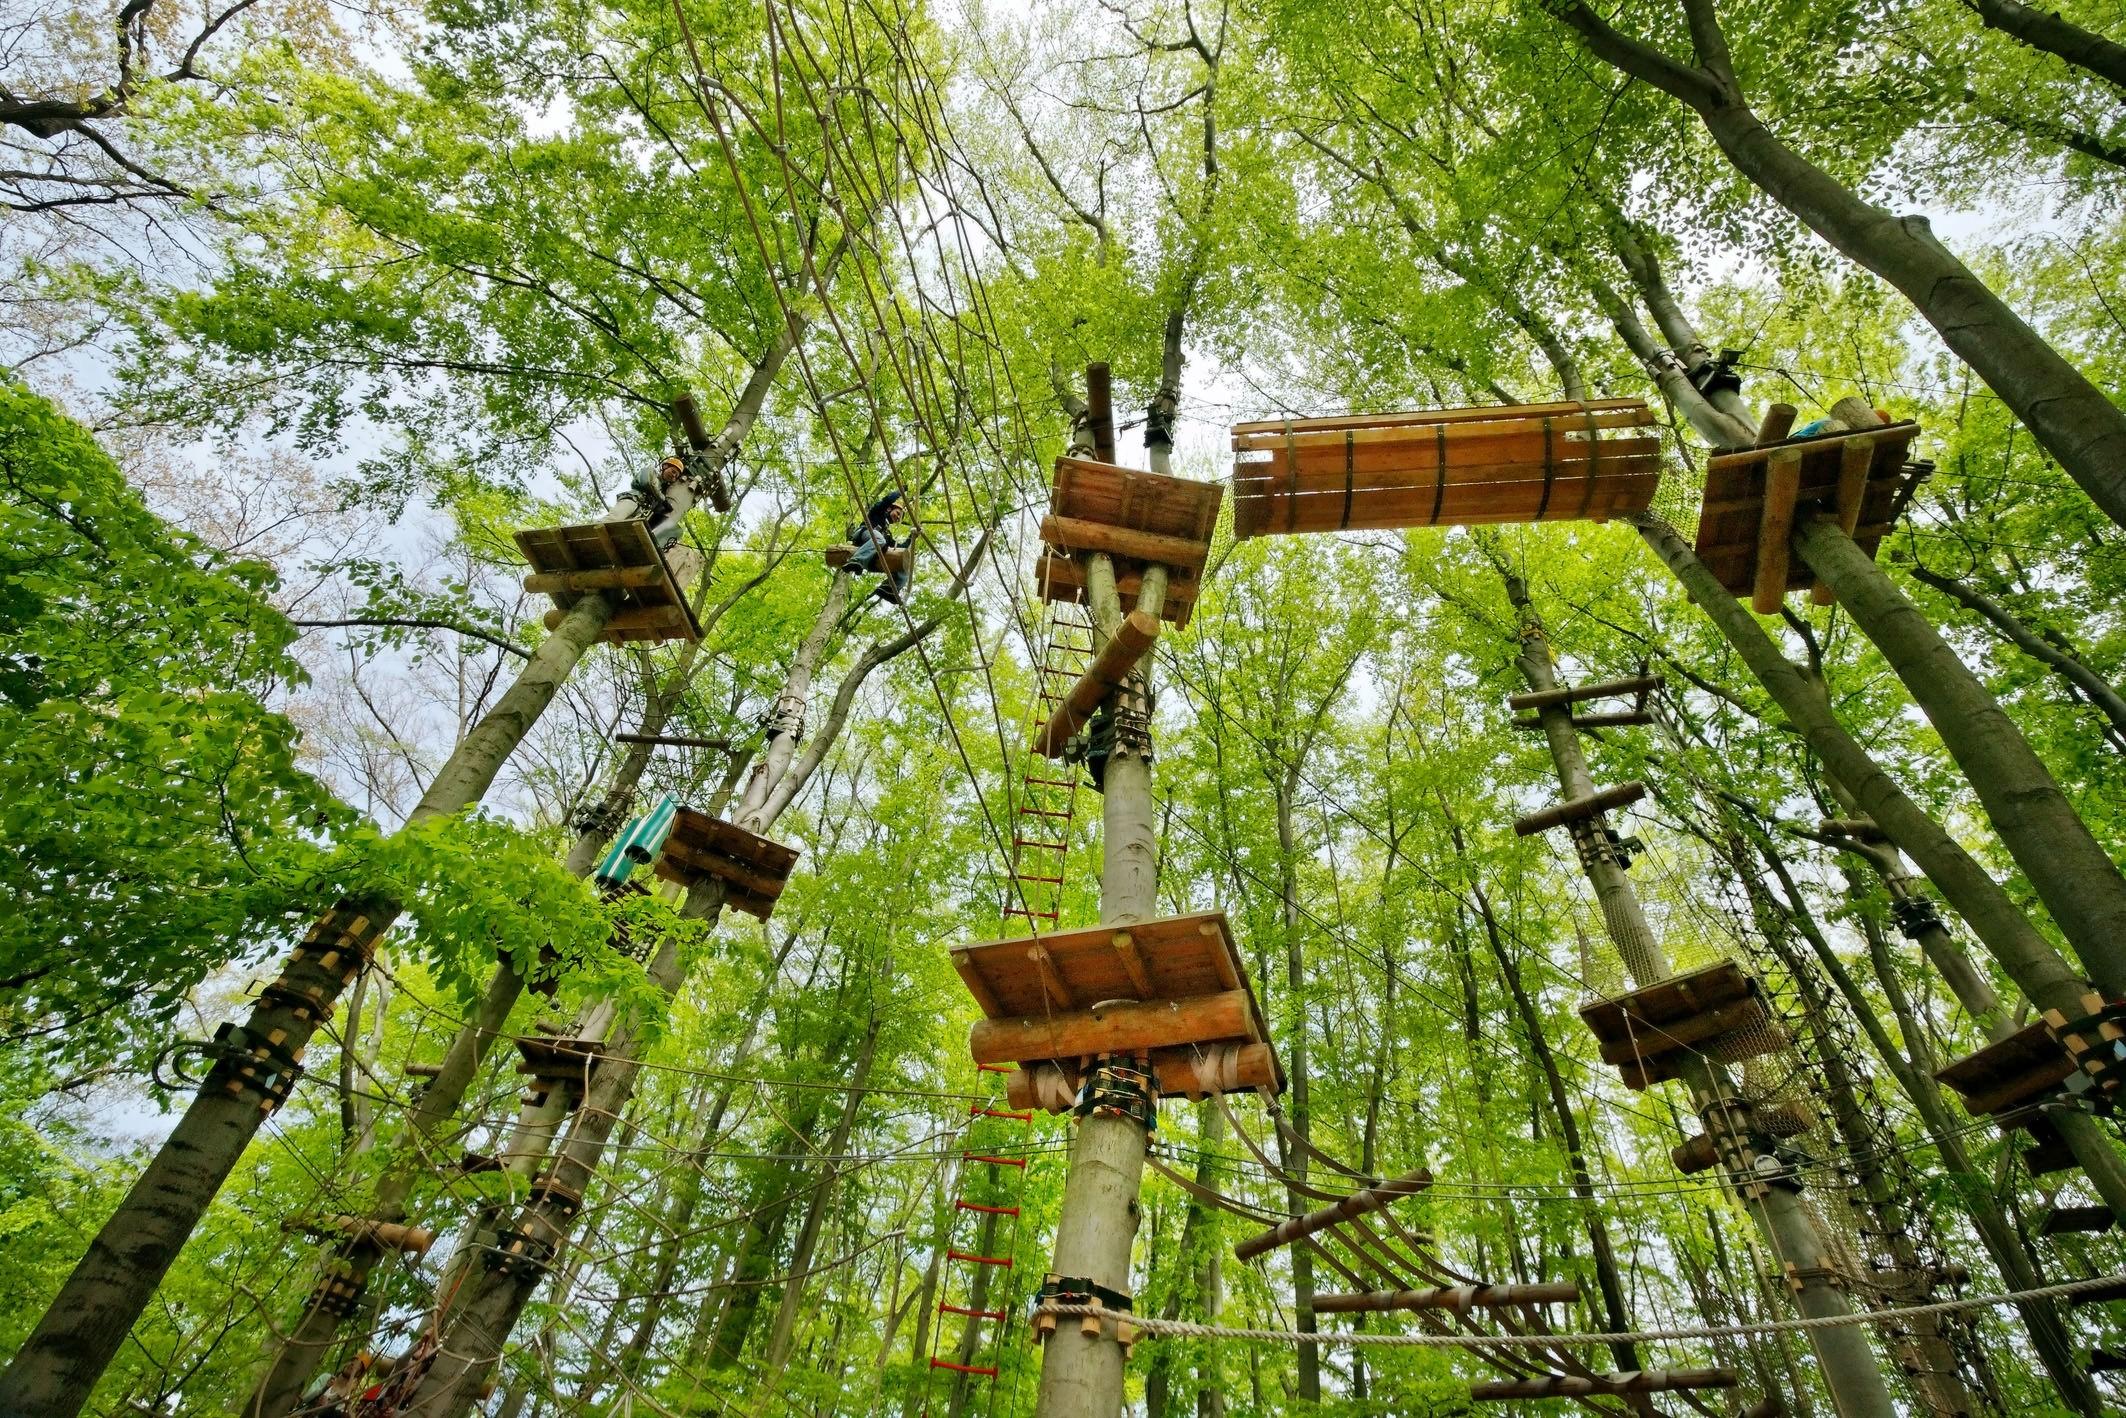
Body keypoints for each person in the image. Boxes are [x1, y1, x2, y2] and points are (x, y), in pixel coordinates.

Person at [843, 489, 913, 603]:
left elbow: (900, 548)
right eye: (898, 513)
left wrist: (912, 537)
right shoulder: (878, 512)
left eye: (900, 517)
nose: (898, 517)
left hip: (873, 555)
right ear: (890, 509)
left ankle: (888, 590)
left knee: (904, 565)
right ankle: (856, 561)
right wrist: (900, 492)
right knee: (879, 539)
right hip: (864, 534)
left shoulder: (887, 533)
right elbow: (887, 500)